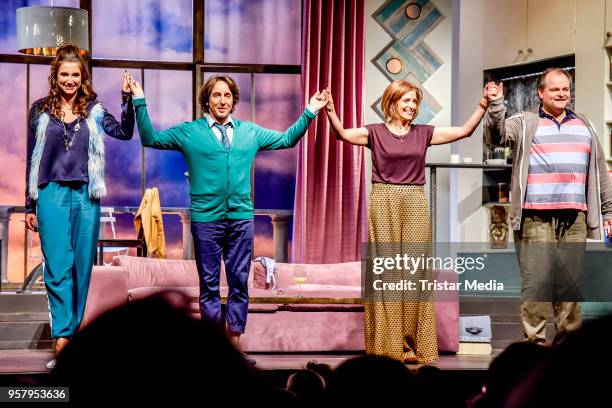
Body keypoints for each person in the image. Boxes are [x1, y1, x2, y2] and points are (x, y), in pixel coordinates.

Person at [128, 75, 328, 360]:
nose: (222, 100)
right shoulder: (190, 132)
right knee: (209, 285)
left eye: (227, 96)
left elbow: (287, 139)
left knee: (238, 281)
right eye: (216, 95)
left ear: (234, 100)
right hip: (206, 219)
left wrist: (310, 110)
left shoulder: (250, 132)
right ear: (206, 101)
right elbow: (150, 138)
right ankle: (213, 352)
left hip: (240, 218)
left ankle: (234, 347)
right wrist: (139, 99)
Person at [324, 80, 495, 363]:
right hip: (383, 200)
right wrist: (331, 109)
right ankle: (389, 347)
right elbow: (342, 134)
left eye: (415, 102)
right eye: (406, 101)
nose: (411, 106)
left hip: (415, 201)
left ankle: (416, 344)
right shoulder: (374, 132)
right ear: (391, 102)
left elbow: (465, 131)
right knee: (388, 274)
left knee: (414, 274)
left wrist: (484, 104)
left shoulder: (423, 134)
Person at [24, 44, 134, 368]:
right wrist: (29, 205)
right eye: (64, 75)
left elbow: (125, 132)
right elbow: (33, 159)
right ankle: (63, 341)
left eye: (75, 75)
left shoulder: (95, 110)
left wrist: (128, 99)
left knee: (80, 269)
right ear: (55, 77)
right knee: (58, 268)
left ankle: (74, 341)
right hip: (51, 195)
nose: (70, 80)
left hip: (86, 196)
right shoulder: (40, 110)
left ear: (82, 77)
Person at [484, 68, 612, 345]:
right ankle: (535, 353)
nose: (562, 94)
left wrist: (609, 211)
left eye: (565, 89)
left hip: (575, 219)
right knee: (538, 289)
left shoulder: (585, 124)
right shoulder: (524, 121)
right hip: (535, 218)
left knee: (570, 289)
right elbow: (495, 137)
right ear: (540, 92)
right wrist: (496, 105)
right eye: (555, 89)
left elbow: (600, 170)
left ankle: (568, 353)